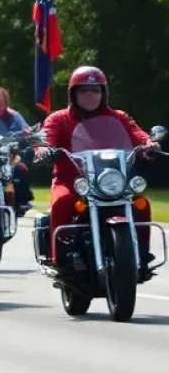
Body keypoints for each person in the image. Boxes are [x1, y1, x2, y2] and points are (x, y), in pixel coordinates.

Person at [36, 66, 157, 265]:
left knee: (141, 204)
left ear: (104, 93)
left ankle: (141, 253)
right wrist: (43, 150)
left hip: (111, 181)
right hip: (73, 182)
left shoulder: (118, 117)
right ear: (73, 94)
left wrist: (149, 144)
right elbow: (45, 138)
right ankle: (60, 257)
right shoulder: (59, 119)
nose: (90, 95)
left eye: (96, 90)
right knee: (62, 203)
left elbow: (137, 133)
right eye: (84, 90)